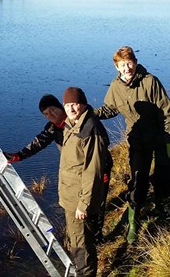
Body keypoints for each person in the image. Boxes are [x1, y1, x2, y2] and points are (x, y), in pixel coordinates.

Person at [94, 46, 170, 244]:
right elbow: (109, 109)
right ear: (117, 67)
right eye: (123, 65)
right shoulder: (116, 87)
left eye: (130, 63)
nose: (127, 68)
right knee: (138, 178)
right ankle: (134, 221)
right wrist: (90, 114)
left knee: (163, 175)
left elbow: (167, 111)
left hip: (160, 135)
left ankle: (161, 206)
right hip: (137, 140)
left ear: (135, 62)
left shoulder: (150, 81)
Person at [3, 94, 112, 243]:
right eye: (46, 114)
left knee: (97, 201)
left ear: (61, 107)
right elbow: (39, 142)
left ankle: (97, 234)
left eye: (53, 110)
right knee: (79, 203)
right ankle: (83, 233)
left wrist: (103, 172)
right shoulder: (54, 128)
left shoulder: (79, 121)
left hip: (97, 169)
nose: (51, 115)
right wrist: (19, 156)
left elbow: (98, 150)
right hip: (76, 173)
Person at [58, 86, 110, 277]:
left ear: (84, 104)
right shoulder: (72, 125)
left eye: (75, 104)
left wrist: (84, 204)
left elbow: (93, 170)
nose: (71, 108)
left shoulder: (90, 129)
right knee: (77, 242)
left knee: (82, 247)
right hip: (71, 197)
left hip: (80, 200)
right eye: (68, 105)